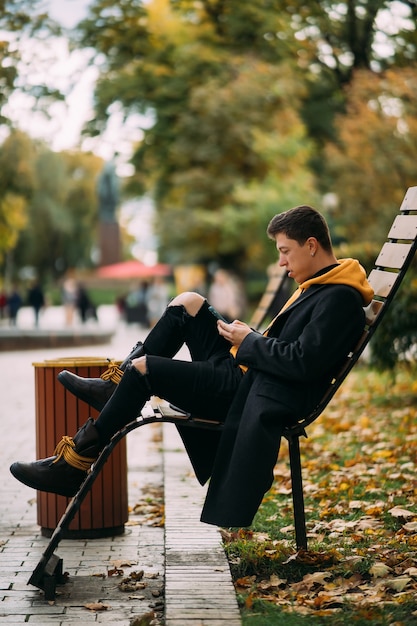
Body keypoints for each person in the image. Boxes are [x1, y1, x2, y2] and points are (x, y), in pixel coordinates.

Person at [10, 205, 374, 528]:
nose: (281, 262)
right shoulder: (322, 286)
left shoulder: (338, 299)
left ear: (311, 245)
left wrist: (250, 342)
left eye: (285, 251)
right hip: (244, 372)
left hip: (244, 391)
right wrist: (247, 337)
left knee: (146, 369)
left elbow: (304, 363)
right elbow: (293, 350)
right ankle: (114, 385)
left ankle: (75, 463)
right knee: (189, 302)